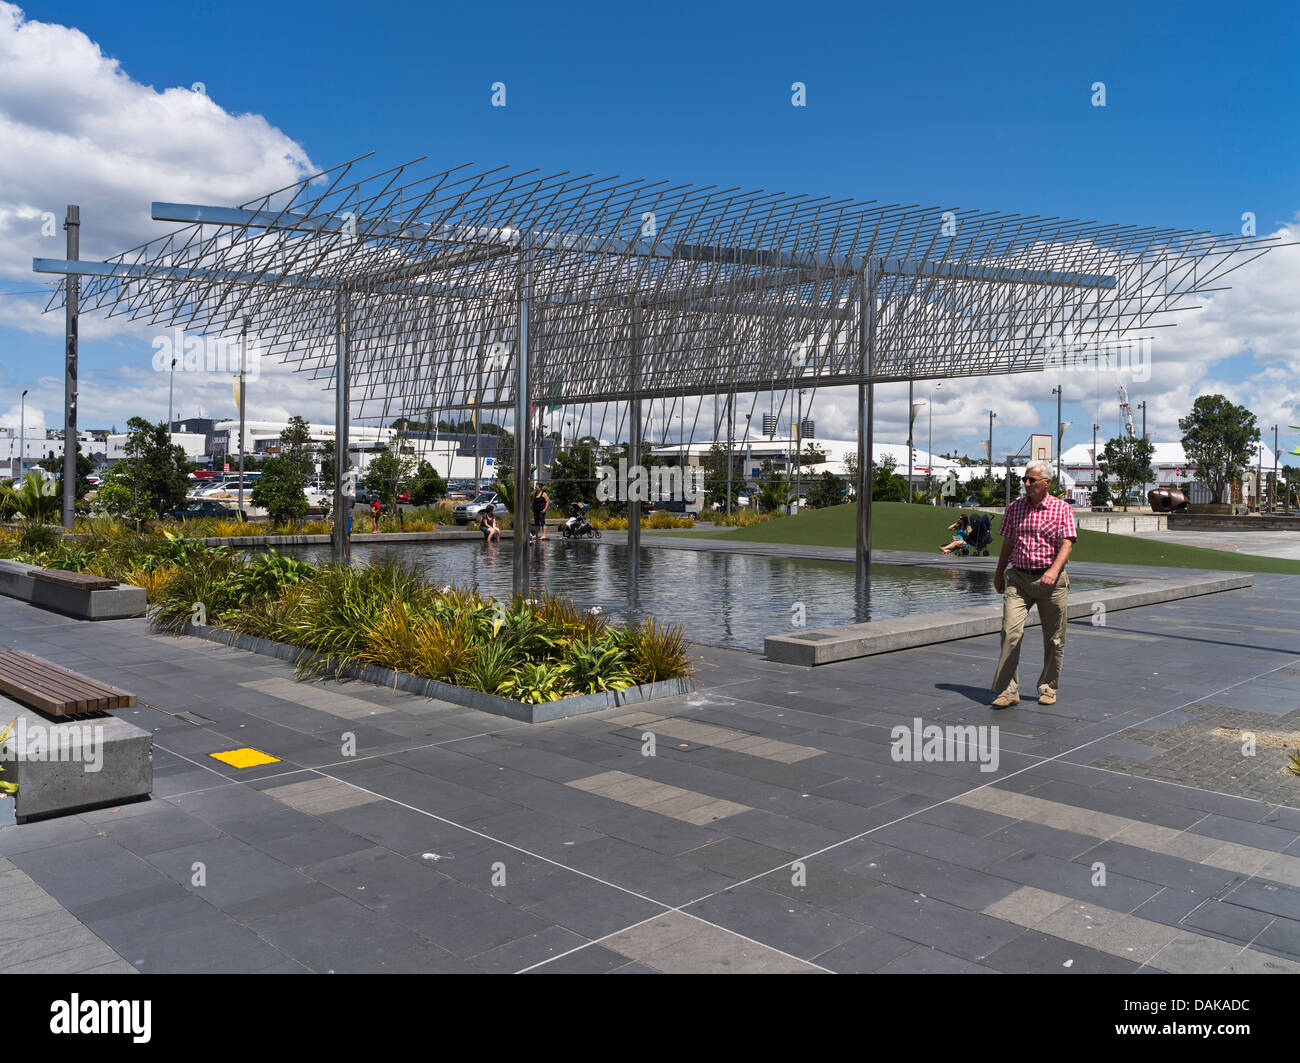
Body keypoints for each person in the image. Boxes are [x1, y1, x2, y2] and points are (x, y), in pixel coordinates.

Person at [991, 461, 1077, 708]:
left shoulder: (1061, 509)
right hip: (1018, 578)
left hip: (1052, 581)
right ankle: (1008, 690)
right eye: (1024, 479)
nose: (1026, 484)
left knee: (1054, 638)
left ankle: (1048, 687)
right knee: (1010, 632)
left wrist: (1053, 570)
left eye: (1031, 480)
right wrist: (998, 573)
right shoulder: (1014, 508)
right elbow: (1007, 544)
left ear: (1046, 483)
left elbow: (1068, 543)